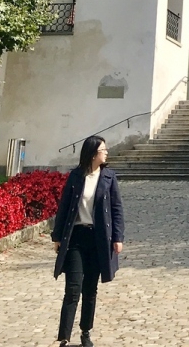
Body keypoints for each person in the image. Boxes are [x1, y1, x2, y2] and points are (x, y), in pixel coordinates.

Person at [51, 136, 124, 347]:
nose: (106, 152)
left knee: (90, 289)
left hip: (98, 239)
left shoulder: (109, 177)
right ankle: (64, 336)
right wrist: (57, 236)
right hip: (76, 238)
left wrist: (117, 237)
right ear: (93, 154)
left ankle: (85, 332)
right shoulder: (76, 176)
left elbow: (117, 209)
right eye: (103, 150)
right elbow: (64, 207)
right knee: (73, 288)